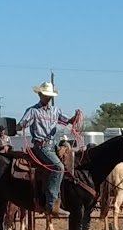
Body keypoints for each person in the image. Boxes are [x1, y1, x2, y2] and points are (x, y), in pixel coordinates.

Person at [17, 81, 82, 214]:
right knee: (58, 168)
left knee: (71, 164)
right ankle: (51, 204)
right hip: (41, 147)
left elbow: (68, 121)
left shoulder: (55, 111)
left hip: (53, 145)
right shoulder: (33, 111)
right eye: (45, 95)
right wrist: (22, 125)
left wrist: (75, 117)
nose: (47, 98)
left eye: (49, 96)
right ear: (40, 95)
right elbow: (20, 125)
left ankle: (65, 198)